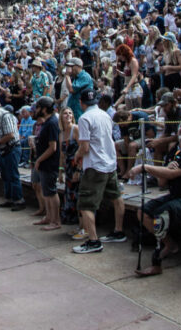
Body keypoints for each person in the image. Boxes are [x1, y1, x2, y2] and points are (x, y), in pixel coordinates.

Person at [130, 115, 181, 278]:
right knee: (143, 212)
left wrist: (144, 167)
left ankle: (156, 263)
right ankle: (170, 244)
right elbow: (163, 182)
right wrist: (167, 169)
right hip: (175, 195)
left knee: (159, 218)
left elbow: (175, 173)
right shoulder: (175, 150)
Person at [70, 90, 128, 253]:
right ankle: (118, 231)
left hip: (95, 166)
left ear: (82, 103)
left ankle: (93, 241)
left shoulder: (84, 118)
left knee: (85, 205)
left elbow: (85, 147)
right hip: (110, 163)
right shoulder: (105, 115)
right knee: (116, 197)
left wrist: (77, 155)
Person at [29, 97, 62, 231]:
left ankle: (55, 220)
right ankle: (49, 217)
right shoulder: (47, 122)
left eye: (37, 108)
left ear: (43, 109)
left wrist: (39, 159)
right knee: (46, 191)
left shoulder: (52, 123)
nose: (36, 110)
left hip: (49, 163)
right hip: (44, 163)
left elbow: (53, 147)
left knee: (51, 192)